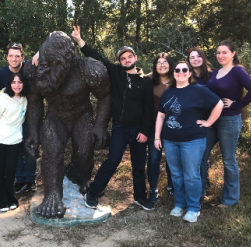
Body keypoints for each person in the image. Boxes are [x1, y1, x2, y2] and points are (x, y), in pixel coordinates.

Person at [71, 26, 155, 210]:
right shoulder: (116, 74)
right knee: (112, 160)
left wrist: (145, 131)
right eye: (123, 58)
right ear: (120, 61)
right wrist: (79, 40)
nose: (126, 60)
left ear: (135, 58)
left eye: (129, 57)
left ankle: (140, 196)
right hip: (120, 128)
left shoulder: (146, 82)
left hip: (139, 130)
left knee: (139, 165)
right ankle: (93, 191)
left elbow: (150, 109)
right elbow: (96, 57)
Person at [155, 61, 223, 222]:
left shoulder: (198, 90)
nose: (181, 72)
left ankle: (193, 207)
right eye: (177, 70)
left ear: (190, 73)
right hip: (170, 140)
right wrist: (157, 136)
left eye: (184, 70)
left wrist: (209, 123)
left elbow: (219, 104)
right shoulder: (167, 92)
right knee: (176, 174)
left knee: (191, 175)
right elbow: (161, 115)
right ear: (173, 73)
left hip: (193, 140)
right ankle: (180, 203)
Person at [201, 40, 251, 207]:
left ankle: (230, 199)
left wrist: (237, 104)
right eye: (218, 53)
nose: (220, 55)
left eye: (224, 52)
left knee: (228, 160)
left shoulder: (237, 71)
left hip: (229, 120)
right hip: (211, 120)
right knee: (201, 154)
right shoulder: (215, 73)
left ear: (233, 54)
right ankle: (199, 193)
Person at [0, 43, 37, 193]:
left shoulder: (28, 67)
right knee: (15, 150)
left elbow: (45, 50)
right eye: (11, 56)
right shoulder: (2, 73)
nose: (14, 59)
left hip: (29, 116)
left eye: (17, 56)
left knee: (29, 148)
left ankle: (31, 179)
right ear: (7, 57)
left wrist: (38, 54)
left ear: (23, 57)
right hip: (11, 118)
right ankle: (20, 180)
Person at [0, 73, 28, 211]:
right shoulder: (2, 100)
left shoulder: (25, 100)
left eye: (20, 82)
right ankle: (0, 202)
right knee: (0, 171)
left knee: (10, 172)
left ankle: (11, 199)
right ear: (9, 84)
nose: (17, 85)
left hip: (15, 141)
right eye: (14, 82)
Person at [147, 53, 175, 204]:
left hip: (174, 126)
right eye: (159, 62)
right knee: (154, 157)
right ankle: (153, 188)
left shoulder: (178, 78)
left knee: (172, 157)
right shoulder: (150, 79)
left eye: (165, 62)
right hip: (154, 125)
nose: (162, 65)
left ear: (171, 64)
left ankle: (172, 185)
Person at [186, 47, 213, 197]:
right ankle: (201, 190)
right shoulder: (186, 77)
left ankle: (203, 184)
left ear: (203, 58)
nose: (195, 59)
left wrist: (234, 102)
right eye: (192, 57)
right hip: (196, 122)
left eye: (198, 56)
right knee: (201, 157)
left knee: (205, 156)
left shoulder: (212, 76)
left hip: (214, 120)